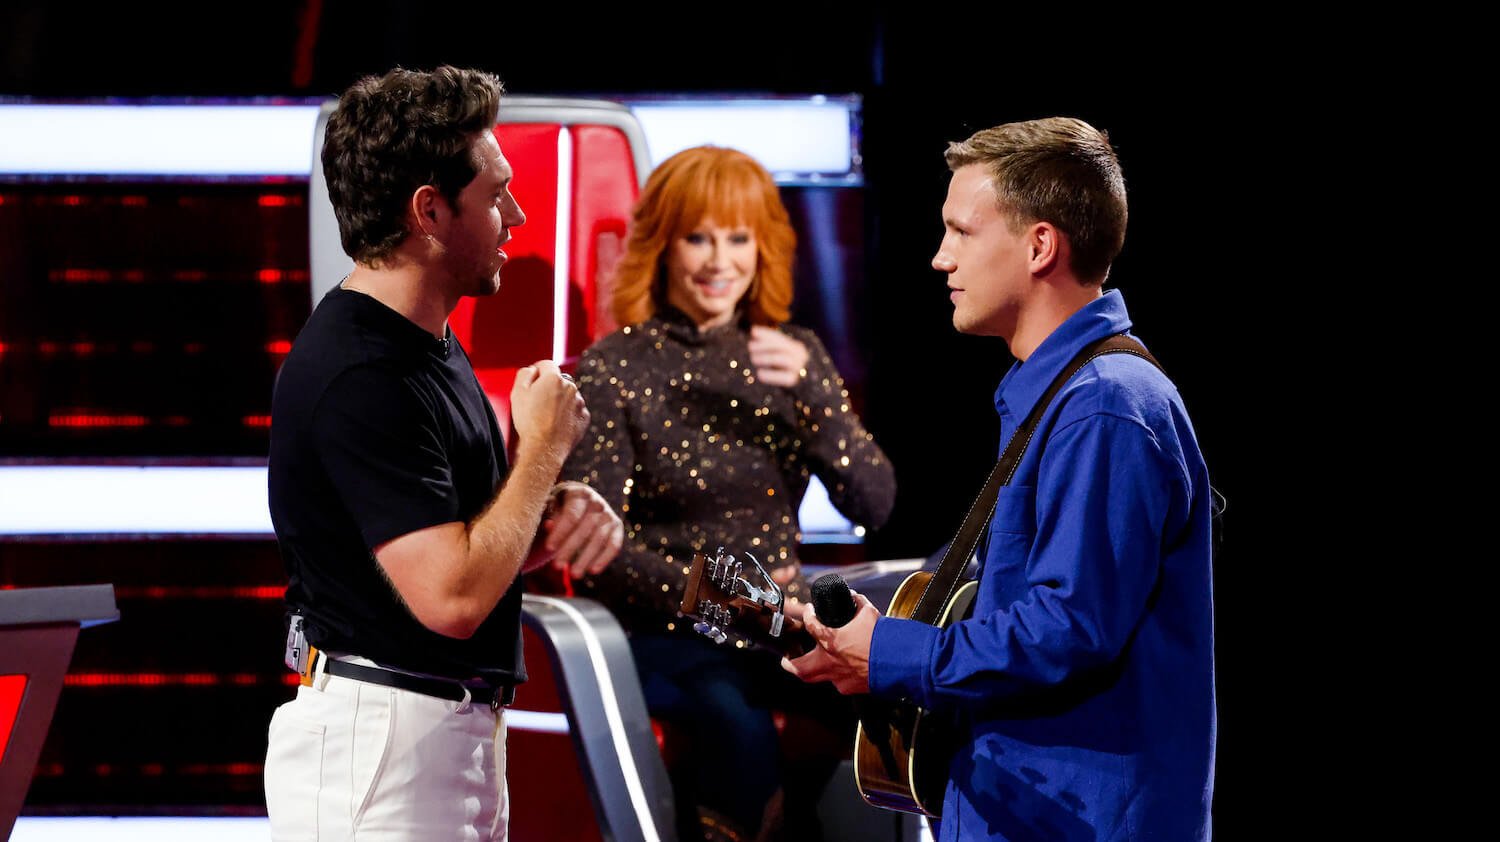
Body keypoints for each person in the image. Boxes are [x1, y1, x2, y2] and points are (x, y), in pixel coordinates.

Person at [784, 117, 1216, 841]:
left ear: (1040, 246)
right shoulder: (1067, 395)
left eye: (961, 231)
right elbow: (1007, 599)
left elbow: (1065, 630)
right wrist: (861, 639)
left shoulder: (1106, 406)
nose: (940, 257)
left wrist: (890, 653)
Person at [264, 65, 624, 841]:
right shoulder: (361, 373)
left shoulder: (424, 343)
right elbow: (452, 599)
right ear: (429, 211)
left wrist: (549, 514)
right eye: (497, 195)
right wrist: (544, 451)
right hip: (382, 751)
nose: (517, 216)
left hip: (436, 737)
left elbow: (456, 543)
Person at [560, 145, 896, 841]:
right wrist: (741, 605)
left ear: (763, 247)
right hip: (665, 633)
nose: (720, 261)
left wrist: (816, 399)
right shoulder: (615, 367)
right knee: (735, 722)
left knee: (886, 705)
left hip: (779, 627)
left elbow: (875, 504)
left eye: (738, 238)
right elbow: (603, 556)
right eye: (698, 238)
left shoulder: (793, 354)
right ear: (662, 245)